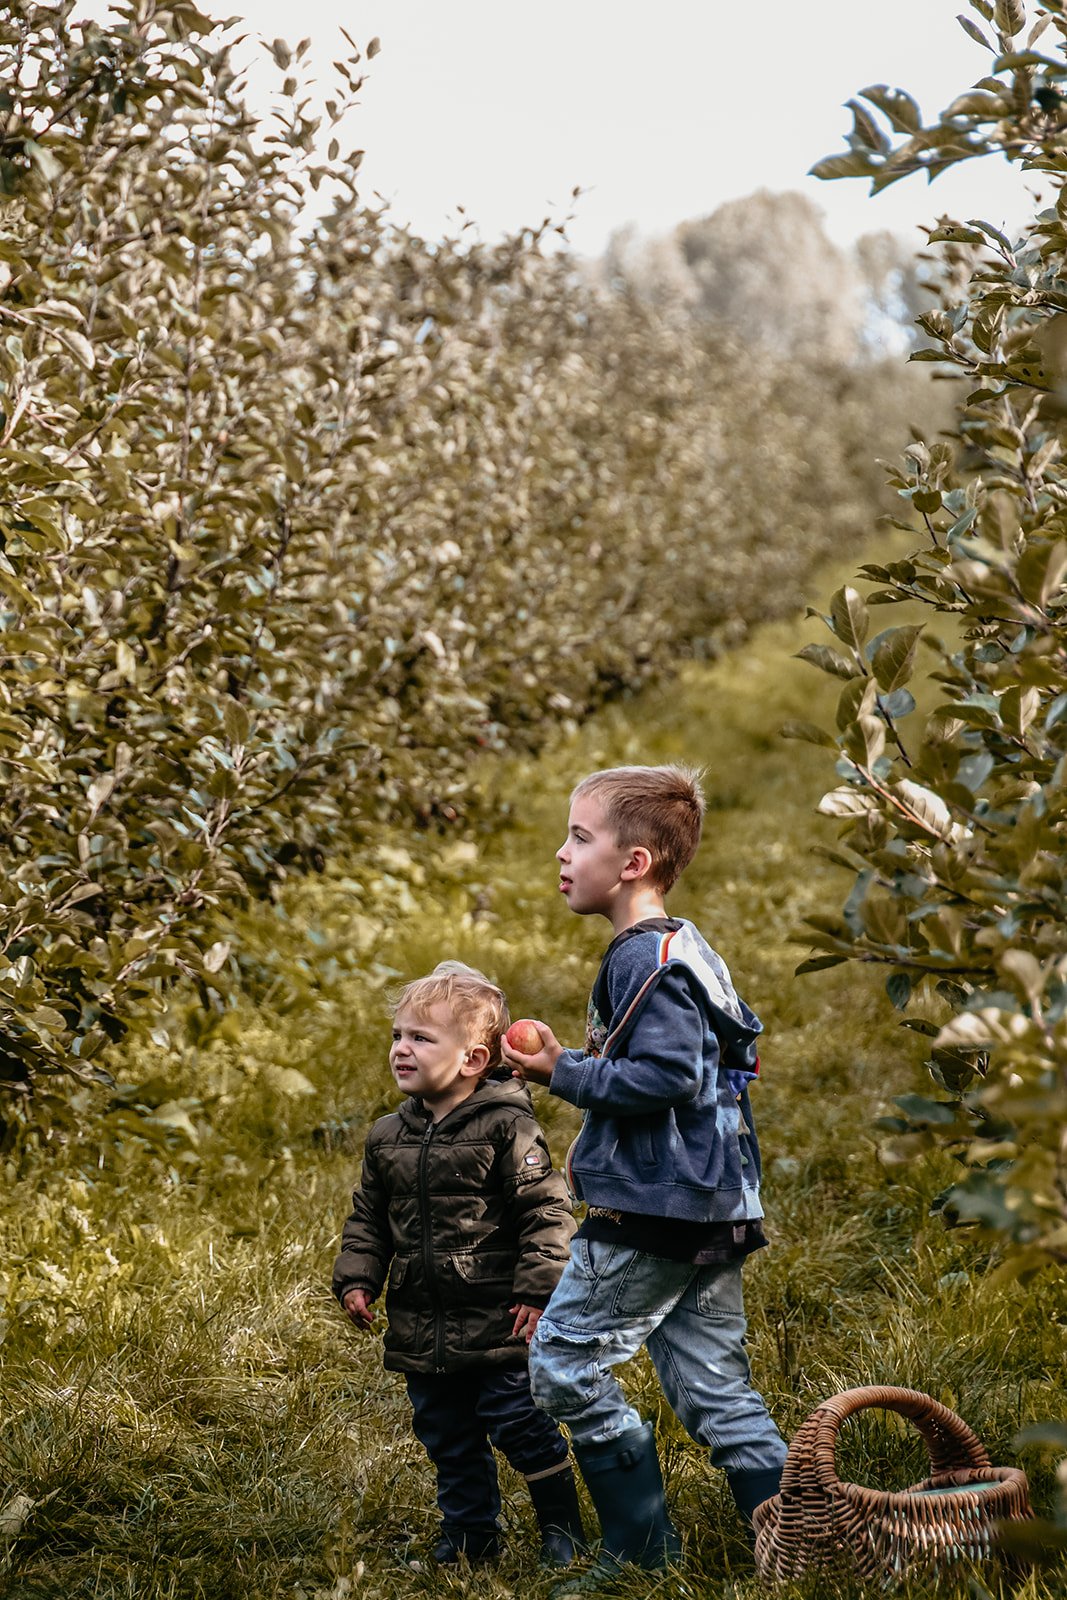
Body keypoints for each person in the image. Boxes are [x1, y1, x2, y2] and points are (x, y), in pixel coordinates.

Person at [500, 764, 787, 1580]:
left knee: (563, 1364)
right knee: (712, 1390)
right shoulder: (680, 946)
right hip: (710, 1199)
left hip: (653, 1206)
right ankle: (795, 1547)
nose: (561, 854)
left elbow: (668, 1077)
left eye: (578, 838)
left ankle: (638, 1554)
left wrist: (565, 1072)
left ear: (632, 863)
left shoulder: (637, 956)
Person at [331, 961, 584, 1568]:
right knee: (445, 1432)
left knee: (518, 1422)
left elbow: (545, 1210)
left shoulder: (506, 1126)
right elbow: (369, 1217)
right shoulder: (387, 1136)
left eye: (421, 1038)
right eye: (397, 1035)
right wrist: (358, 1276)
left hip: (500, 1316)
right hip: (424, 1318)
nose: (401, 1049)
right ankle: (471, 1537)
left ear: (472, 1060)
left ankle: (563, 1532)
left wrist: (538, 1288)